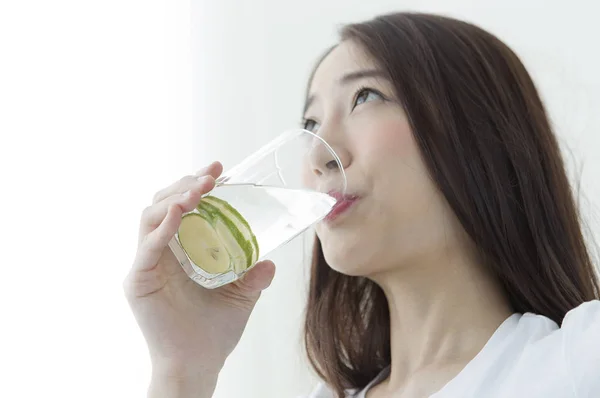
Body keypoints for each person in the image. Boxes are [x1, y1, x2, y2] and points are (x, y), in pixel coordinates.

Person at [123, 12, 600, 398]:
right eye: (310, 122)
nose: (317, 153)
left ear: (482, 139)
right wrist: (182, 371)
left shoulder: (576, 362)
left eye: (365, 96)